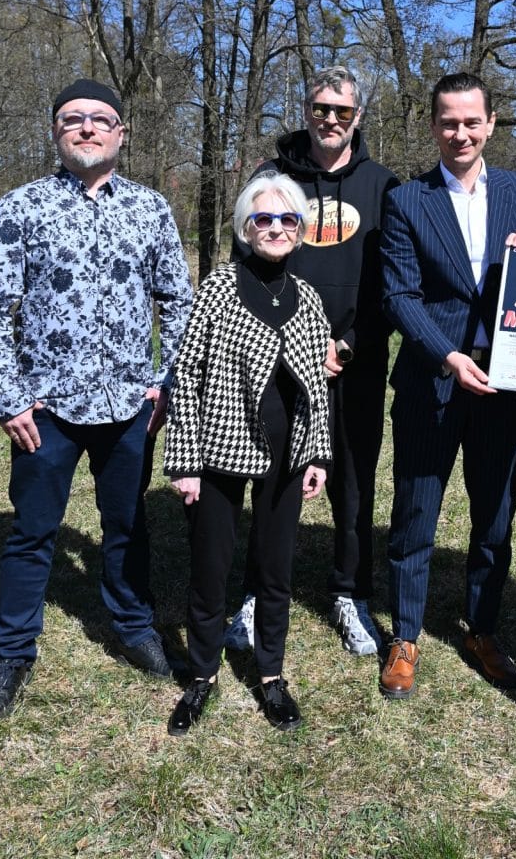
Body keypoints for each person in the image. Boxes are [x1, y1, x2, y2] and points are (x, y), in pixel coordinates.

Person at [0, 78, 193, 728]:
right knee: (33, 532)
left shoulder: (150, 210)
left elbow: (176, 300)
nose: (87, 128)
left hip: (129, 405)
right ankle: (10, 654)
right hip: (47, 409)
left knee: (127, 525)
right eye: (73, 120)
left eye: (100, 119)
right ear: (57, 133)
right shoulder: (22, 207)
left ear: (122, 133)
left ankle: (132, 623)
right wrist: (11, 400)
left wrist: (167, 381)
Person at [378, 72, 516, 700]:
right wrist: (447, 355)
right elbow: (399, 295)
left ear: (491, 124)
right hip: (434, 376)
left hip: (505, 380)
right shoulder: (406, 200)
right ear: (433, 127)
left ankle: (481, 629)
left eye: (472, 121)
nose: (461, 133)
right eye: (448, 122)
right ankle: (405, 636)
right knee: (415, 513)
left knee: (495, 516)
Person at [228, 65, 398, 658]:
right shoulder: (270, 179)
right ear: (305, 110)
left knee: (354, 480)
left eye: (343, 111)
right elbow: (245, 266)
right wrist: (282, 343)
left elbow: (392, 281)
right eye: (321, 108)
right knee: (272, 477)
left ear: (358, 117)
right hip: (277, 361)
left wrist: (347, 342)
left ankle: (350, 592)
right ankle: (255, 592)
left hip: (356, 359)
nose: (331, 119)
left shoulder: (382, 184)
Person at [165, 172, 332, 735]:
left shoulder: (308, 298)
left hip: (288, 455)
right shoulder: (216, 288)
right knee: (211, 567)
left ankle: (270, 675)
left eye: (288, 219)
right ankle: (203, 674)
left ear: (301, 230)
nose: (277, 228)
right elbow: (185, 376)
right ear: (245, 226)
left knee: (275, 568)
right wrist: (184, 462)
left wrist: (318, 455)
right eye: (264, 218)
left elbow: (316, 386)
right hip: (220, 444)